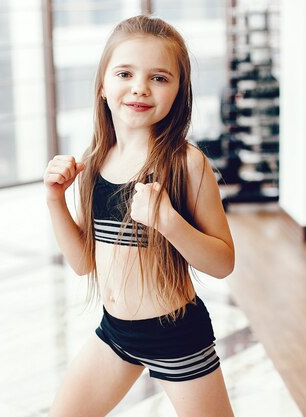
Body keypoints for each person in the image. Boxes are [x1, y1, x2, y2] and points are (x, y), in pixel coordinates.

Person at [43, 15, 235, 417]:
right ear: (102, 85)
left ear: (179, 91)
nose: (140, 88)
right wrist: (54, 199)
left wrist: (169, 223)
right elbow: (83, 263)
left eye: (159, 78)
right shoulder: (94, 164)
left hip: (176, 336)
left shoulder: (186, 164)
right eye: (125, 73)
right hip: (115, 333)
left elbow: (223, 263)